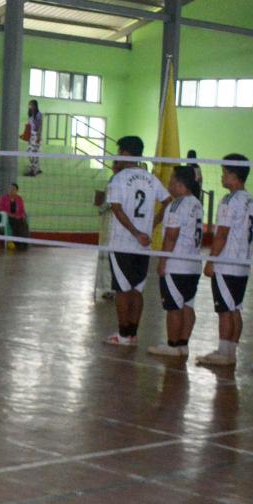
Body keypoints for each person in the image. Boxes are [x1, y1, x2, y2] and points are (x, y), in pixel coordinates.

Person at [103, 135, 168, 346]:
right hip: (143, 245)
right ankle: (132, 334)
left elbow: (116, 209)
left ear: (125, 153)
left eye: (119, 151)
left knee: (122, 291)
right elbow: (168, 200)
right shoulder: (151, 178)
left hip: (123, 243)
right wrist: (151, 225)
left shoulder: (118, 179)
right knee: (137, 290)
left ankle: (123, 335)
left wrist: (135, 232)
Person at [200, 154, 253, 367]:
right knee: (234, 308)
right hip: (242, 263)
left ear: (234, 175)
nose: (222, 177)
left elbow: (221, 234)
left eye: (224, 173)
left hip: (227, 263)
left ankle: (224, 353)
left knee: (225, 310)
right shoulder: (250, 200)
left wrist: (211, 261)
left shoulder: (229, 200)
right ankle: (230, 353)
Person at [149, 166, 204, 359]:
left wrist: (163, 261)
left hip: (177, 265)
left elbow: (171, 236)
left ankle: (172, 345)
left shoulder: (177, 205)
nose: (168, 184)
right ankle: (183, 345)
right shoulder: (196, 203)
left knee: (173, 307)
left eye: (171, 181)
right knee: (187, 305)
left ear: (180, 184)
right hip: (193, 264)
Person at [0, 182, 28, 251]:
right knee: (15, 222)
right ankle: (16, 242)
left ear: (17, 191)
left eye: (13, 189)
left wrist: (21, 215)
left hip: (17, 217)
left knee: (23, 223)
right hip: (7, 217)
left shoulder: (19, 198)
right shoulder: (4, 198)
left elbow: (22, 210)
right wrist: (9, 214)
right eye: (10, 188)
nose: (11, 190)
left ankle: (23, 244)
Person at [22, 99, 43, 176]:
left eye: (30, 105)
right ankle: (35, 168)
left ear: (34, 105)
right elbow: (29, 126)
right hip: (31, 136)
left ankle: (34, 170)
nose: (29, 106)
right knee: (29, 152)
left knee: (34, 152)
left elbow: (40, 125)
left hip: (36, 135)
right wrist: (25, 135)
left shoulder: (38, 114)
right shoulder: (30, 115)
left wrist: (38, 136)